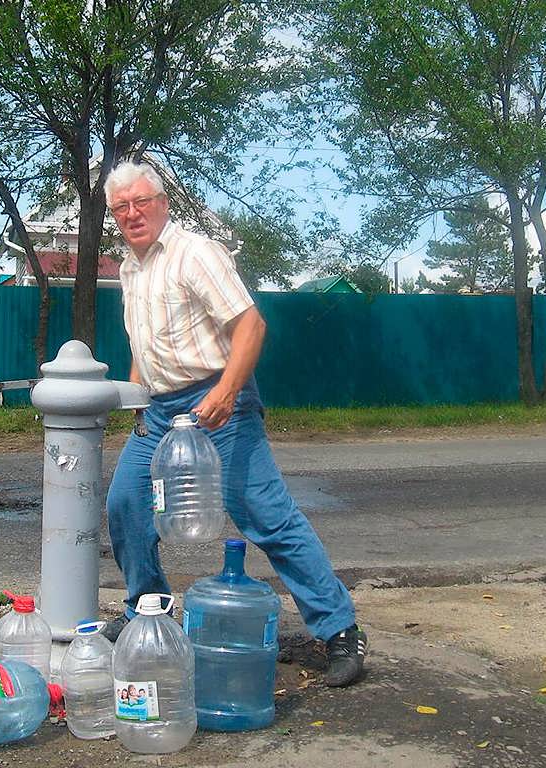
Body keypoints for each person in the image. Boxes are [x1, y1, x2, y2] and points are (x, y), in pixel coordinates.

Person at [101, 161, 367, 687]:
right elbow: (145, 343)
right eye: (121, 207)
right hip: (158, 412)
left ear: (163, 204)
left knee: (264, 514)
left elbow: (251, 324)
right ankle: (148, 611)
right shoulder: (130, 269)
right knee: (127, 504)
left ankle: (340, 630)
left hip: (219, 402)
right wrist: (136, 396)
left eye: (141, 202)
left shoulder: (195, 253)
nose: (132, 214)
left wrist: (226, 391)